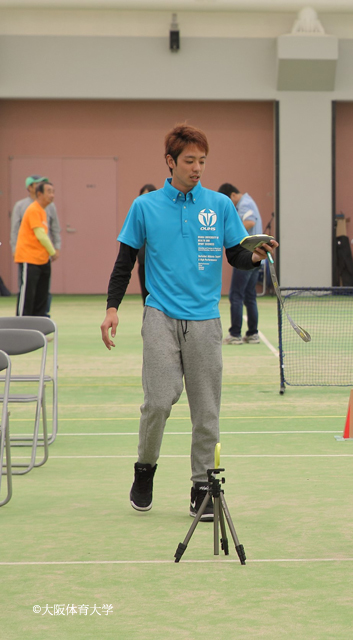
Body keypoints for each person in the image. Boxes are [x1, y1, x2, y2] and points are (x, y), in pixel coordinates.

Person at [99, 124, 278, 521]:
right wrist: (113, 308)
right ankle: (144, 470)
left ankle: (202, 488)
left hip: (204, 320)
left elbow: (236, 255)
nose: (197, 168)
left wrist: (256, 256)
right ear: (170, 162)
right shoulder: (144, 207)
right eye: (190, 161)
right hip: (160, 314)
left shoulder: (220, 206)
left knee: (207, 410)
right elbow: (124, 262)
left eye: (202, 161)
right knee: (158, 402)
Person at [218, 183, 263, 345]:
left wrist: (231, 231)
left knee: (236, 295)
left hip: (247, 257)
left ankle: (235, 334)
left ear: (232, 196)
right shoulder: (248, 201)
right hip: (254, 257)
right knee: (250, 296)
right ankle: (252, 334)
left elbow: (249, 222)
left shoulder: (245, 203)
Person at [12, 176, 61, 310]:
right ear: (39, 194)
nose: (52, 195)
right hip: (30, 259)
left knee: (41, 298)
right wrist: (53, 251)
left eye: (53, 192)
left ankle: (38, 328)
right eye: (49, 192)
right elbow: (41, 235)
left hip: (42, 259)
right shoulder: (33, 209)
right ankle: (21, 328)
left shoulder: (43, 210)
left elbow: (53, 230)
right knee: (28, 296)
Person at [135, 184, 157, 305]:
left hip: (157, 265)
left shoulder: (160, 217)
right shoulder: (138, 216)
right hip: (143, 263)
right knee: (146, 298)